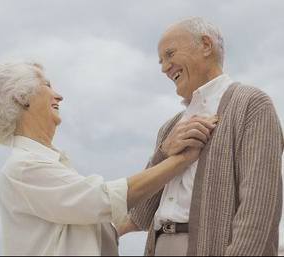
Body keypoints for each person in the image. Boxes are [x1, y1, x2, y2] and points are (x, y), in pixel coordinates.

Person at [0, 61, 217, 256]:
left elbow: (99, 218)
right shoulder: (24, 167)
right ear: (21, 97)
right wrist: (182, 159)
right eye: (47, 85)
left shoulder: (45, 164)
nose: (58, 96)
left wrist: (164, 155)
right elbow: (102, 200)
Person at [119, 17, 283, 256]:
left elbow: (259, 207)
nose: (164, 68)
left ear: (206, 45)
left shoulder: (251, 104)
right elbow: (142, 214)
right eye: (161, 61)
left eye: (170, 54)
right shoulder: (170, 127)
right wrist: (164, 152)